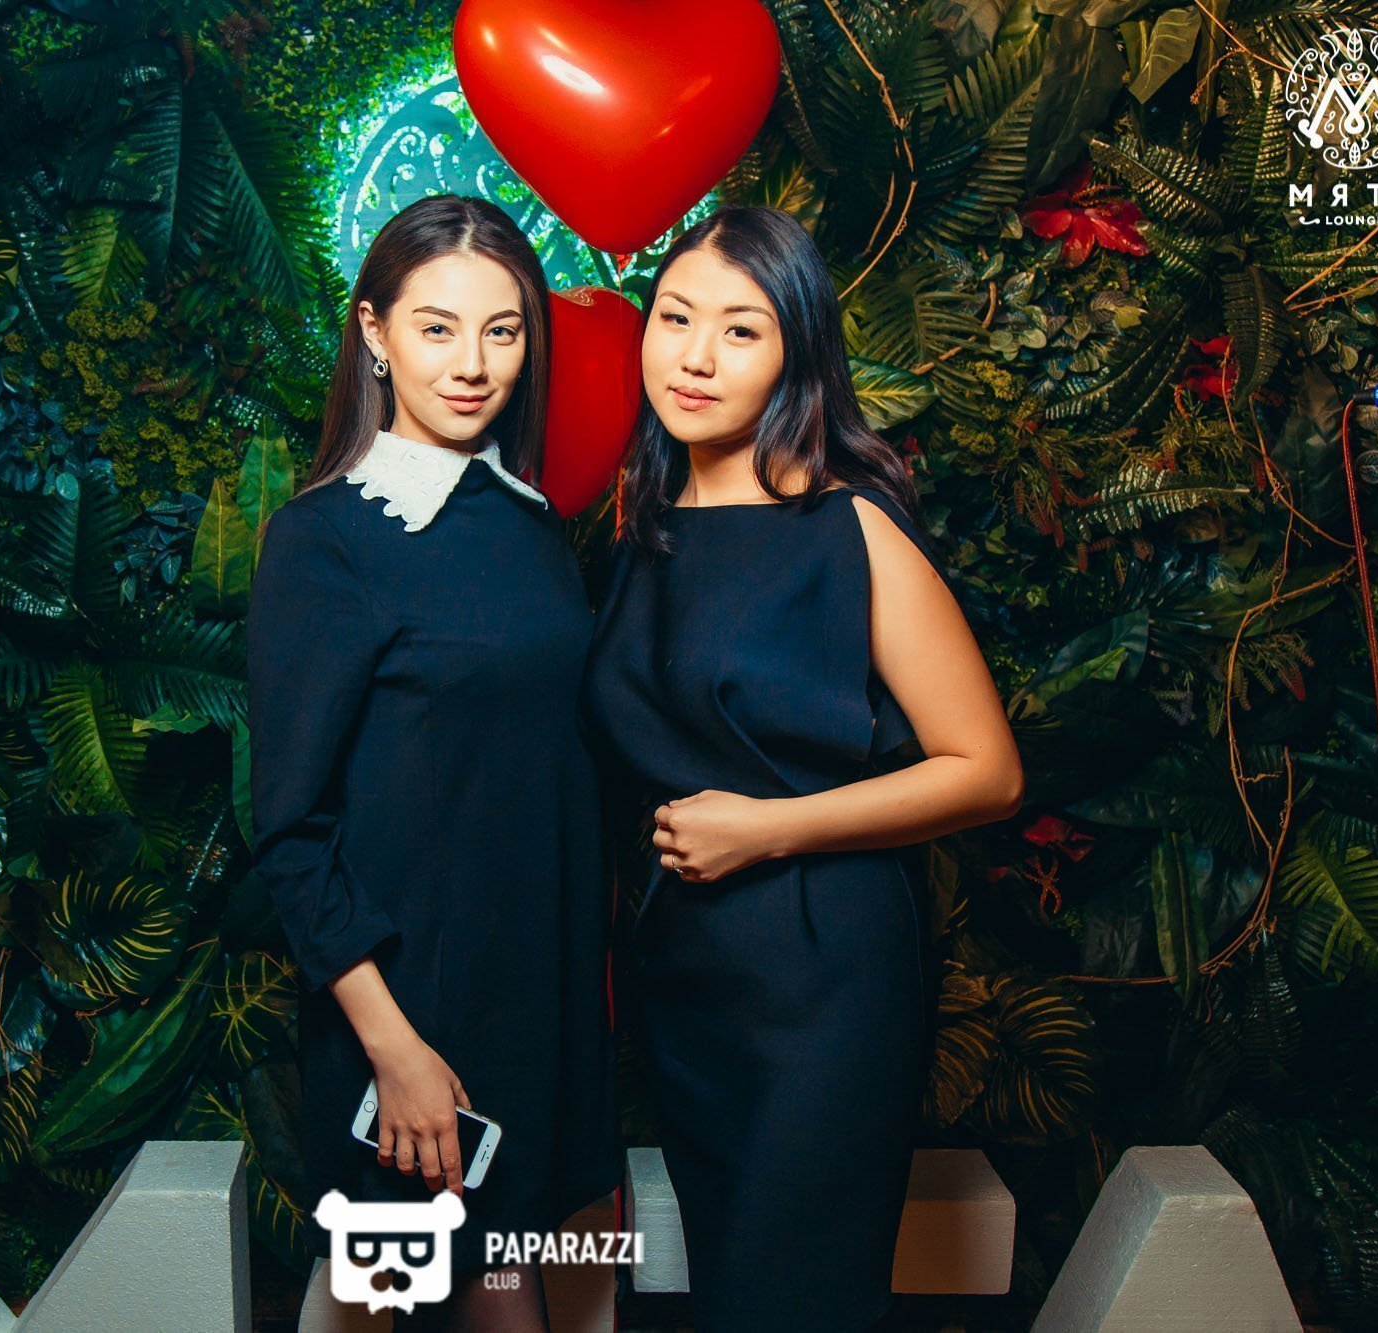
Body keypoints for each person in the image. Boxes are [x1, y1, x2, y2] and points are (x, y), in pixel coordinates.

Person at [580, 205, 1025, 1330]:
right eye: (675, 318)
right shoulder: (642, 523)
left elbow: (986, 770)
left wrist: (770, 825)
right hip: (688, 978)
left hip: (822, 975)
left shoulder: (846, 528)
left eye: (740, 330)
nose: (694, 356)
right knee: (733, 1290)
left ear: (797, 353)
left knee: (792, 1298)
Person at [245, 194, 621, 1331]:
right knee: (401, 1305)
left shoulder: (531, 523)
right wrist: (393, 1049)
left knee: (510, 1297)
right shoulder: (323, 539)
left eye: (502, 331)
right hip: (404, 1020)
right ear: (374, 332)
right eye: (437, 327)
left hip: (531, 1006)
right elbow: (291, 835)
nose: (472, 365)